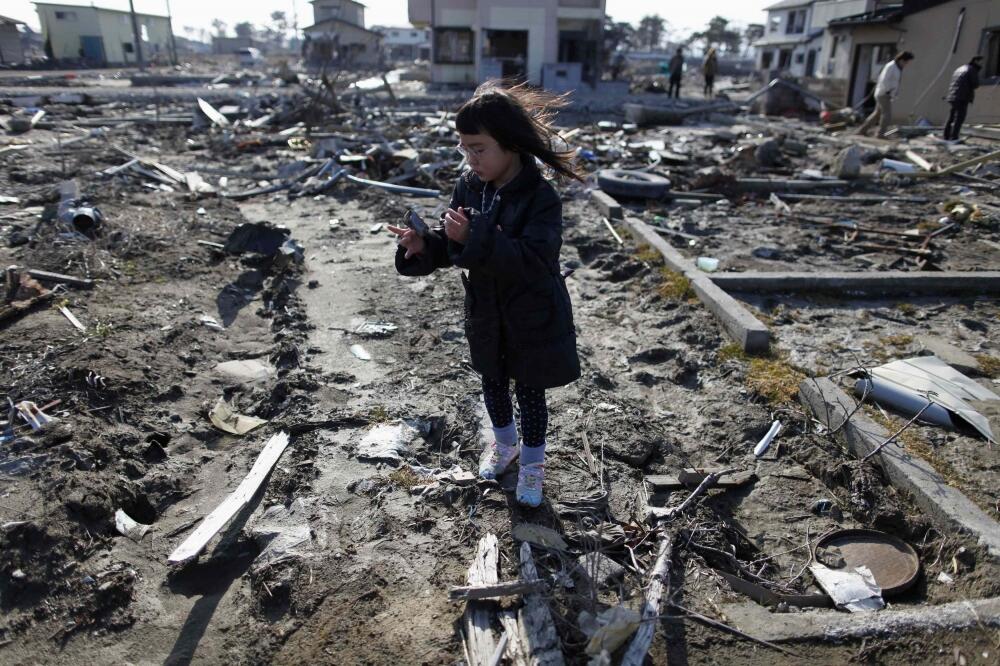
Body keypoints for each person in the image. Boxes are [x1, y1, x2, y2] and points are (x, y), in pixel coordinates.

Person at [388, 81, 582, 508]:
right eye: (464, 149)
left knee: (530, 395)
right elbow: (455, 244)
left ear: (510, 144)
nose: (470, 159)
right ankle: (504, 446)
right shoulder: (469, 186)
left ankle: (532, 466)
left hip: (531, 314)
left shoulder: (540, 197)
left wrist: (474, 237)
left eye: (479, 149)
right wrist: (425, 246)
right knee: (492, 384)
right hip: (486, 311)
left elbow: (535, 258)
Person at [857, 51, 914, 138]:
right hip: (883, 94)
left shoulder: (896, 67)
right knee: (887, 115)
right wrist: (888, 91)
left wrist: (893, 93)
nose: (906, 64)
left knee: (877, 114)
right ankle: (880, 134)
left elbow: (893, 82)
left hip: (885, 93)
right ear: (902, 60)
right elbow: (884, 80)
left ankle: (862, 130)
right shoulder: (891, 66)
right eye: (906, 62)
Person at [944, 56, 982, 142]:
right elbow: (975, 84)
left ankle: (946, 136)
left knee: (952, 117)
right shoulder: (972, 69)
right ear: (975, 61)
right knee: (959, 118)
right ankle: (954, 137)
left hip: (953, 96)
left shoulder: (960, 68)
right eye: (980, 61)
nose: (981, 64)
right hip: (962, 97)